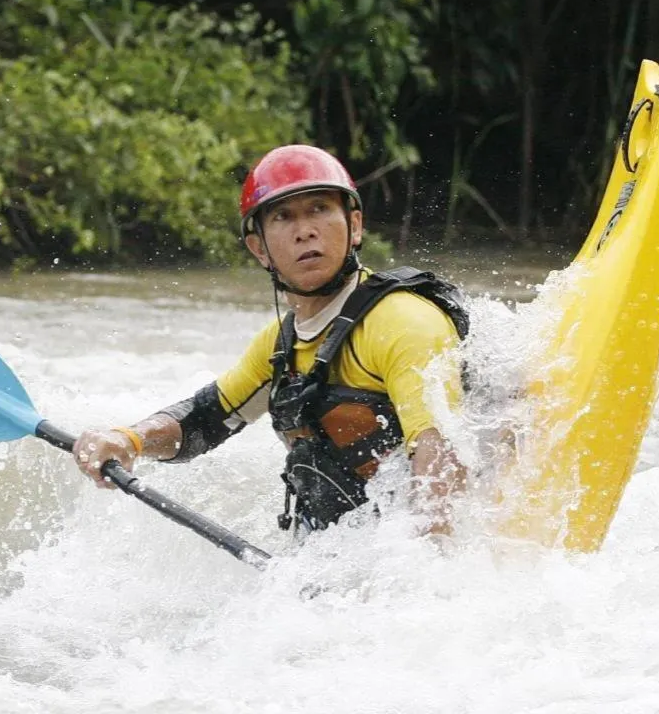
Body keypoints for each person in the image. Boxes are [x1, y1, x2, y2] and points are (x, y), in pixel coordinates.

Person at [73, 144, 469, 537]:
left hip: (431, 548)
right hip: (346, 552)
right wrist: (129, 440)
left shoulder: (404, 324)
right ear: (259, 248)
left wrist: (426, 560)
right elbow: (202, 421)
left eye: (320, 209)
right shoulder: (280, 346)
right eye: (283, 217)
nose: (305, 230)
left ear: (355, 225)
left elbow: (440, 455)